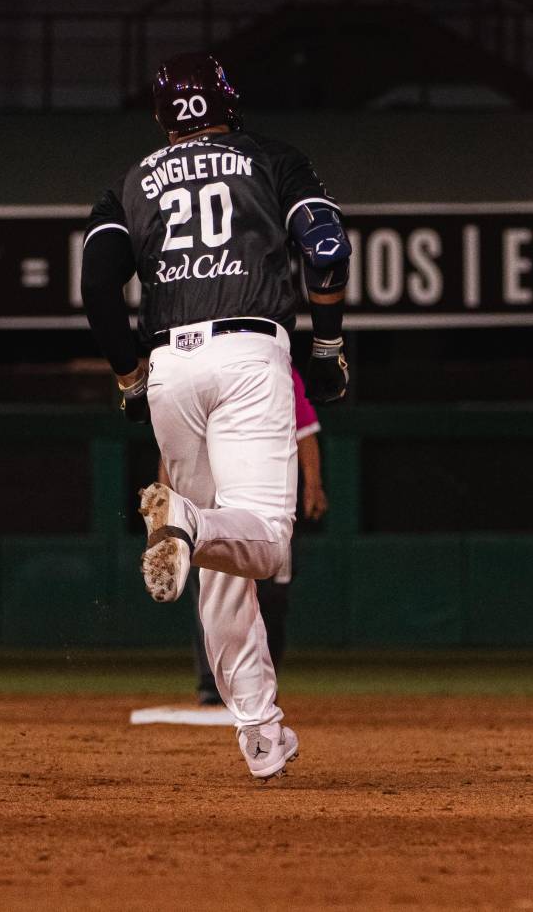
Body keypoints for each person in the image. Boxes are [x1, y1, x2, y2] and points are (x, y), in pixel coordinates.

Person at [79, 52, 351, 780]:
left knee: (224, 575)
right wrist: (325, 344)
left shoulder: (130, 184)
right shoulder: (271, 159)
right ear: (230, 101)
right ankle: (186, 521)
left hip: (171, 365)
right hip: (246, 353)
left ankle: (262, 733)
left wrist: (131, 374)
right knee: (263, 544)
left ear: (163, 119)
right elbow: (325, 245)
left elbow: (97, 286)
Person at [186, 368, 327, 707]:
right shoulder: (200, 367)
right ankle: (212, 684)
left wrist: (313, 485)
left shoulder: (278, 367)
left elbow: (305, 432)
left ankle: (264, 681)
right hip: (213, 505)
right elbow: (174, 443)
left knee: (273, 598)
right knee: (210, 591)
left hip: (271, 504)